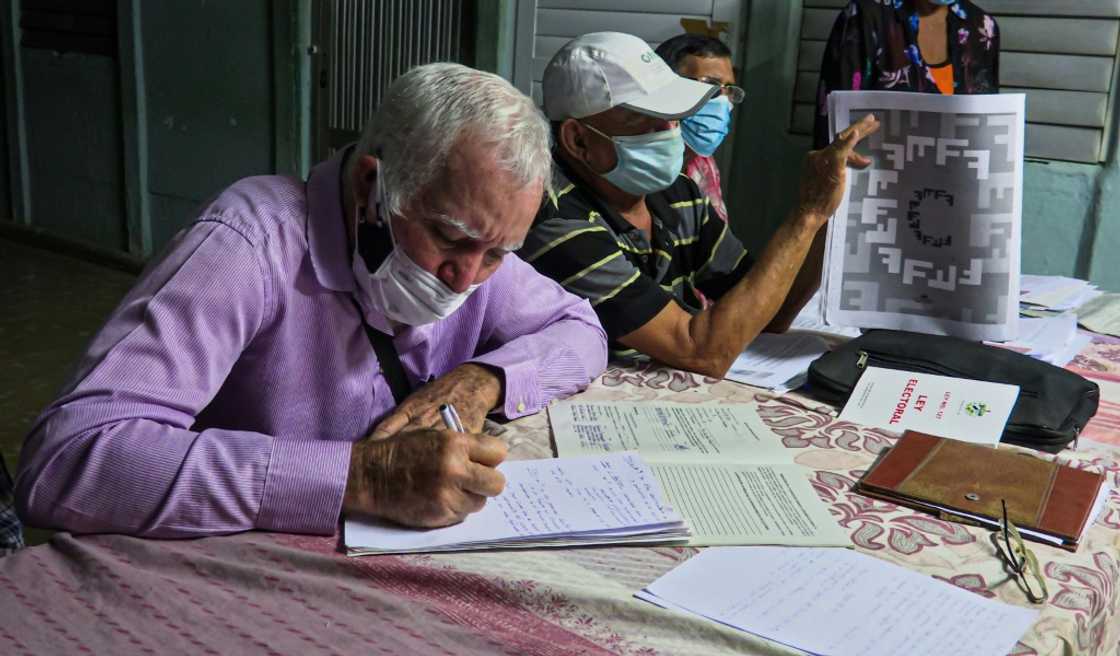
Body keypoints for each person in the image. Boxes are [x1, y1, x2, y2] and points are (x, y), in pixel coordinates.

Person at [15, 63, 608, 538]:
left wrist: (483, 380)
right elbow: (66, 462)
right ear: (371, 187)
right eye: (449, 240)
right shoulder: (249, 244)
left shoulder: (477, 240)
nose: (466, 278)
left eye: (498, 253)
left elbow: (581, 330)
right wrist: (356, 478)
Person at [519, 32, 878, 377]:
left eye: (672, 115)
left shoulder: (677, 193)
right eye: (644, 118)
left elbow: (768, 314)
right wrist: (808, 213)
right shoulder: (556, 220)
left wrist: (832, 211)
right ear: (578, 140)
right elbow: (701, 352)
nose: (669, 131)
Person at [815, 0, 1000, 149]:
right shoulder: (865, 17)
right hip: (875, 186)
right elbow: (831, 132)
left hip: (955, 188)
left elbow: (985, 131)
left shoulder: (982, 28)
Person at [655, 33, 743, 223]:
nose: (722, 100)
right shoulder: (642, 164)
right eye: (710, 85)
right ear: (666, 86)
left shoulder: (703, 164)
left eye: (728, 89)